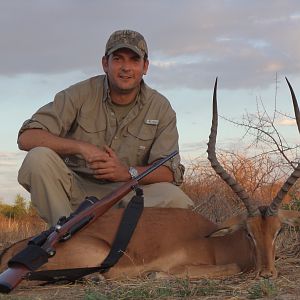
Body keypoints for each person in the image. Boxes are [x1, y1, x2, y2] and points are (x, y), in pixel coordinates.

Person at [17, 29, 194, 226]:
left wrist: (127, 172)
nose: (126, 67)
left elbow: (169, 171)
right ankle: (65, 233)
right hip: (75, 193)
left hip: (129, 194)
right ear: (105, 64)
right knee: (38, 158)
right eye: (118, 59)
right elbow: (27, 137)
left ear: (145, 66)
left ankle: (137, 249)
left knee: (176, 199)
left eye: (134, 60)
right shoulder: (79, 94)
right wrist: (82, 148)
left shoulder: (161, 107)